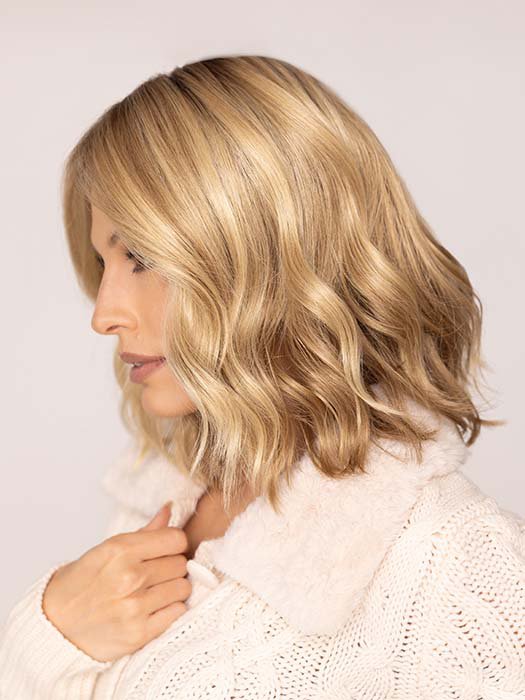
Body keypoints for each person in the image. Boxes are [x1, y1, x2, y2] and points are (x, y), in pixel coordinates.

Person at [0, 54, 523, 699]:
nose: (104, 315)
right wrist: (49, 636)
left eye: (140, 257)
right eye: (103, 262)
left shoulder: (459, 565)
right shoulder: (165, 495)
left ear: (271, 255)